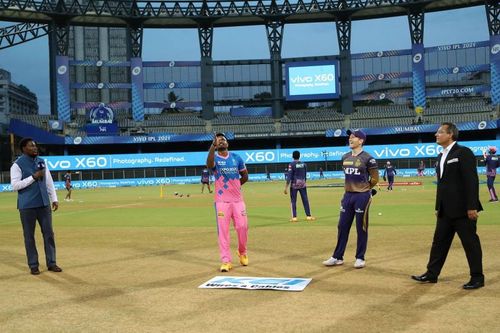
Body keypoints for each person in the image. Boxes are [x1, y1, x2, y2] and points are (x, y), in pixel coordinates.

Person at [411, 122, 484, 290]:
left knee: (470, 243)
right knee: (439, 243)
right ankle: (431, 274)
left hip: (463, 209)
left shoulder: (463, 152)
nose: (436, 134)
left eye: (440, 132)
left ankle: (477, 277)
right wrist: (438, 207)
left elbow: (471, 181)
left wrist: (472, 206)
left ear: (450, 134)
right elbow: (442, 185)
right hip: (445, 210)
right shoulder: (440, 156)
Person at [323, 130, 378, 269]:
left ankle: (360, 258)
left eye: (354, 137)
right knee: (342, 226)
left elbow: (375, 179)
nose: (350, 139)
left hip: (362, 196)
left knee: (361, 227)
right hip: (347, 196)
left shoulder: (368, 159)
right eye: (350, 137)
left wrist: (365, 189)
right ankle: (337, 256)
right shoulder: (345, 157)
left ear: (361, 141)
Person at [10, 138, 62, 275]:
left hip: (44, 204)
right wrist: (33, 177)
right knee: (29, 236)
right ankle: (33, 265)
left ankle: (52, 263)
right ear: (23, 149)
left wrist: (54, 198)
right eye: (31, 146)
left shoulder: (42, 161)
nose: (35, 148)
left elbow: (48, 181)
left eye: (35, 146)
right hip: (27, 206)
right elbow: (15, 185)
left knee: (49, 234)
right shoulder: (17, 165)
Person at [206, 133, 249, 272]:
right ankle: (226, 261)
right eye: (218, 141)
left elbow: (245, 175)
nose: (221, 142)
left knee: (242, 227)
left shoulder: (236, 157)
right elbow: (209, 164)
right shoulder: (215, 159)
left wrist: (236, 186)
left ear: (227, 143)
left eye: (223, 139)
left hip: (238, 200)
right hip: (222, 201)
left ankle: (242, 252)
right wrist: (212, 146)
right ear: (216, 145)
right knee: (223, 232)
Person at [283, 151, 315, 222]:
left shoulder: (291, 164)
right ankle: (308, 216)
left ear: (292, 156)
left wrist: (286, 187)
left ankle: (294, 217)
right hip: (303, 184)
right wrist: (304, 182)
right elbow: (305, 175)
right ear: (299, 156)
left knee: (293, 201)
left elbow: (289, 176)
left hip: (294, 185)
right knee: (305, 200)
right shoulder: (304, 164)